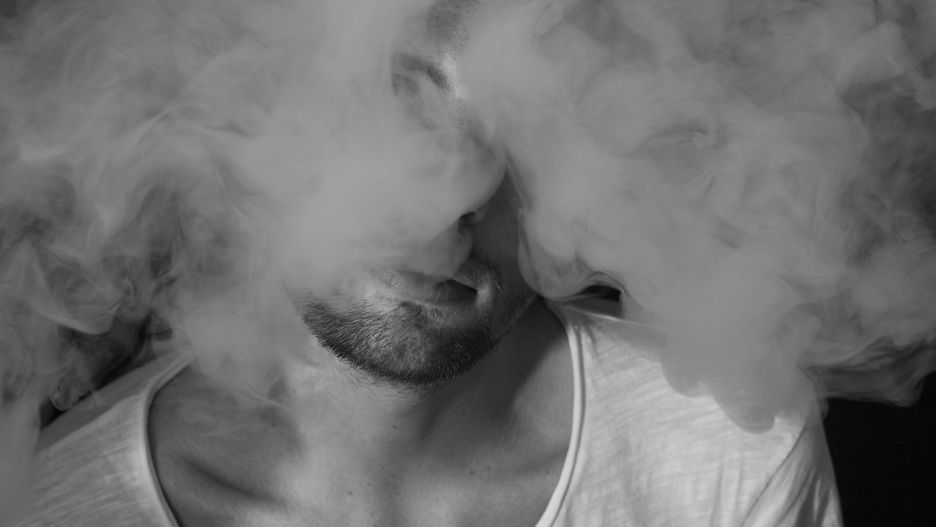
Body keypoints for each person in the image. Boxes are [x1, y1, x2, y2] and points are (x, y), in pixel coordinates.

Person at [13, 0, 841, 526]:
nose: (453, 192)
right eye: (395, 96)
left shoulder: (731, 458)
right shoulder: (56, 503)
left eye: (530, 123)